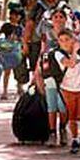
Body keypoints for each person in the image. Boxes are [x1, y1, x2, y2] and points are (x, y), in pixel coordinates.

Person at [34, 8, 69, 148]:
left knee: (64, 106)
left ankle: (63, 128)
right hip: (48, 73)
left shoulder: (69, 34)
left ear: (65, 19)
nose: (58, 19)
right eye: (56, 16)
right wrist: (37, 72)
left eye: (61, 16)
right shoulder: (47, 34)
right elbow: (42, 52)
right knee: (51, 104)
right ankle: (52, 133)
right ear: (52, 19)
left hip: (65, 74)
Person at [55, 29, 80, 157]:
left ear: (73, 40)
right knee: (72, 116)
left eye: (67, 40)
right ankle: (75, 139)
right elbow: (70, 64)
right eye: (61, 40)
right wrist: (75, 51)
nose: (64, 43)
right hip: (68, 89)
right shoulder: (58, 54)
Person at [23, 0, 69, 72]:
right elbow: (30, 23)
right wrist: (25, 42)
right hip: (38, 40)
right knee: (36, 64)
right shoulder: (38, 6)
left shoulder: (62, 6)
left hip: (58, 40)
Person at [0, 7, 27, 99]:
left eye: (16, 15)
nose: (14, 17)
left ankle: (19, 87)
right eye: (13, 14)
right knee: (7, 71)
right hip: (7, 50)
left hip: (16, 51)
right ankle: (5, 91)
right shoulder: (6, 26)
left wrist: (24, 47)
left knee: (18, 70)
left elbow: (22, 39)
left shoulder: (20, 28)